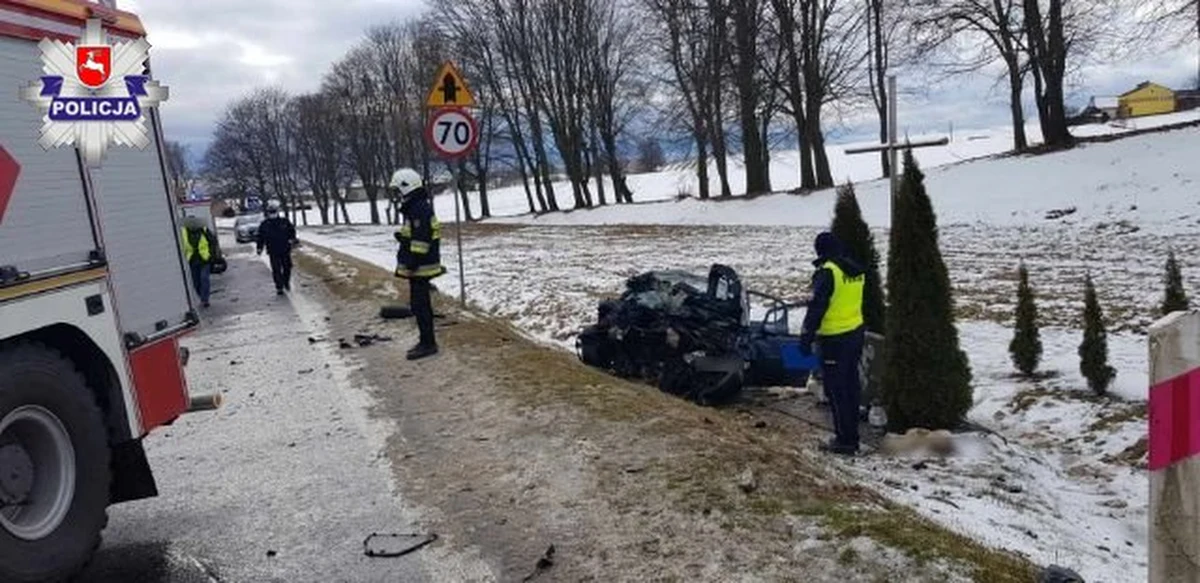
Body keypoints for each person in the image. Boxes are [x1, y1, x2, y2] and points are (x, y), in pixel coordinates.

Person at [799, 232, 866, 456]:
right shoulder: (855, 269)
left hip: (833, 339)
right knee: (851, 386)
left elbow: (817, 308)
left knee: (836, 390)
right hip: (855, 333)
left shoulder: (828, 272)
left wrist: (806, 338)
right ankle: (852, 436)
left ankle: (844, 441)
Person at [389, 168, 446, 361]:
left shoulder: (418, 208)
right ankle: (425, 341)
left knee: (421, 306)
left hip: (421, 266)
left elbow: (422, 239)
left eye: (398, 189)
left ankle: (428, 344)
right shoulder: (416, 207)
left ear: (407, 187)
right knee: (418, 304)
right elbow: (415, 234)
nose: (397, 194)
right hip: (420, 265)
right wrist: (403, 239)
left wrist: (412, 260)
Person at [256, 203, 298, 295]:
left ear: (277, 212)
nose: (272, 214)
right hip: (272, 250)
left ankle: (286, 282)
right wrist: (259, 248)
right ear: (268, 213)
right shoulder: (265, 224)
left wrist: (293, 239)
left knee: (287, 267)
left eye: (274, 212)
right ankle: (279, 286)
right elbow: (260, 237)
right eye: (271, 212)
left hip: (285, 249)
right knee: (276, 269)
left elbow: (292, 231)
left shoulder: (284, 221)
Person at [181, 215, 218, 308]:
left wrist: (211, 255)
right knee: (196, 282)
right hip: (192, 260)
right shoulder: (183, 232)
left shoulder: (204, 230)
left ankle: (205, 300)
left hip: (204, 259)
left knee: (204, 279)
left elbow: (213, 242)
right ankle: (202, 296)